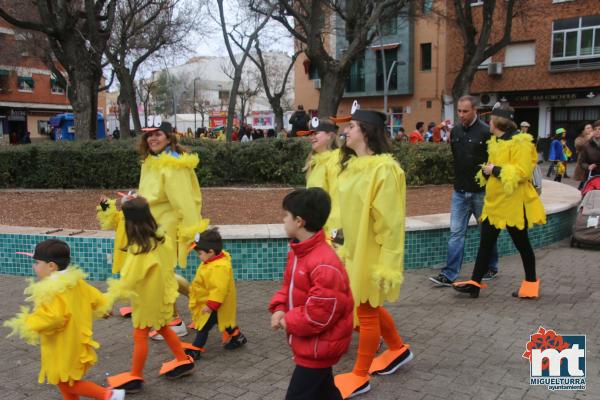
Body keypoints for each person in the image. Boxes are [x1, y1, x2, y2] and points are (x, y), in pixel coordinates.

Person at [97, 121, 208, 338]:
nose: (152, 139)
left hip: (164, 228)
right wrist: (135, 199)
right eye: (149, 135)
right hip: (149, 224)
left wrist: (192, 231)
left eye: (157, 134)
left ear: (169, 137)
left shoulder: (172, 165)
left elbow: (184, 201)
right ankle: (202, 302)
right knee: (161, 273)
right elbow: (152, 195)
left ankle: (174, 321)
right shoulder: (151, 161)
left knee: (161, 275)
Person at [334, 110, 413, 399]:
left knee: (366, 311)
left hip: (373, 254)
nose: (346, 131)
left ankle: (360, 376)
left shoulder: (385, 170)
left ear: (366, 131)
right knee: (369, 306)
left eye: (351, 126)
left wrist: (386, 264)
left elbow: (390, 223)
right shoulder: (355, 166)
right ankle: (397, 349)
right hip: (356, 250)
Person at [4, 239, 125, 400]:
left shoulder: (52, 291)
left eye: (37, 262)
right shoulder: (74, 281)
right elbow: (94, 296)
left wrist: (30, 323)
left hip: (64, 346)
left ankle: (108, 395)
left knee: (66, 382)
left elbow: (53, 318)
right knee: (67, 382)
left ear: (51, 266)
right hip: (76, 342)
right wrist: (103, 308)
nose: (34, 266)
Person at [453, 102, 546, 299]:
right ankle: (475, 284)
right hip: (495, 202)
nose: (489, 123)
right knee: (485, 244)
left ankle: (530, 285)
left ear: (496, 121)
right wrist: (486, 173)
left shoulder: (521, 143)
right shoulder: (495, 141)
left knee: (523, 244)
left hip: (513, 203)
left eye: (491, 119)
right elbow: (490, 167)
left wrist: (493, 170)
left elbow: (522, 172)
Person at [269, 187, 353, 400]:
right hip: (313, 345)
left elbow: (319, 314)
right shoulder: (299, 251)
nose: (283, 220)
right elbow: (287, 287)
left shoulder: (323, 263)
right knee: (326, 392)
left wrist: (287, 319)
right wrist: (279, 308)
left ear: (299, 221)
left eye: (285, 215)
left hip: (318, 347)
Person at [104, 196, 195, 393]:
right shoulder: (160, 237)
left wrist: (106, 301)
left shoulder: (139, 251)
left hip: (146, 300)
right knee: (162, 327)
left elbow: (126, 282)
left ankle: (135, 376)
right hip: (162, 294)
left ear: (129, 223)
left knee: (140, 335)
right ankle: (182, 360)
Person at [429, 96, 499, 287]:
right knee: (456, 233)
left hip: (481, 192)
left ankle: (491, 266)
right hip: (459, 191)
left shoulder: (486, 132)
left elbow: (494, 160)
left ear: (475, 110)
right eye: (459, 111)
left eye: (465, 111)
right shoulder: (456, 131)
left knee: (486, 232)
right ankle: (449, 274)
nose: (461, 115)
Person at [184, 228, 247, 361]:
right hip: (218, 305)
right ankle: (238, 337)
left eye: (200, 253)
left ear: (211, 252)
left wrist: (211, 305)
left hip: (215, 305)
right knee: (224, 322)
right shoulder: (212, 261)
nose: (198, 256)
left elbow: (219, 289)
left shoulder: (219, 268)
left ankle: (196, 350)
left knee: (203, 327)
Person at [304, 118, 341, 240]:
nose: (312, 137)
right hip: (316, 232)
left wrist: (335, 242)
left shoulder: (336, 162)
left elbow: (338, 205)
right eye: (311, 134)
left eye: (316, 133)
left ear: (329, 136)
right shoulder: (315, 162)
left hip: (330, 236)